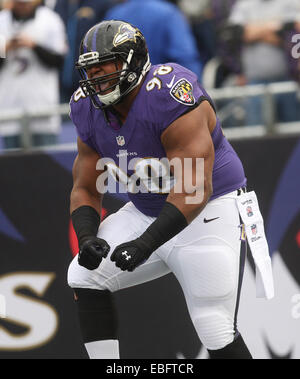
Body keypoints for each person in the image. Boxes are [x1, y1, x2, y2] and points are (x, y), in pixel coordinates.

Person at [67, 20, 274, 359]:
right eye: (90, 70)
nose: (97, 77)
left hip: (209, 209)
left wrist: (145, 243)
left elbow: (194, 188)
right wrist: (87, 235)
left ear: (134, 62)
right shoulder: (86, 107)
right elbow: (85, 187)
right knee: (83, 275)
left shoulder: (169, 94)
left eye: (106, 65)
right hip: (147, 207)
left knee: (214, 324)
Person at [0, 0, 67, 149]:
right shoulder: (1, 22)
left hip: (42, 109)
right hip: (10, 110)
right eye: (19, 3)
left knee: (47, 165)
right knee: (13, 168)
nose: (23, 5)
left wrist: (34, 45)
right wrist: (7, 47)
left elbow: (59, 61)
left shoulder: (50, 20)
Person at [228, 0, 300, 125]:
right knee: (256, 130)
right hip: (255, 80)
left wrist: (254, 31)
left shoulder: (289, 2)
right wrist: (274, 26)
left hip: (288, 79)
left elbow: (291, 34)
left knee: (293, 130)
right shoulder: (244, 4)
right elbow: (236, 33)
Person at [105, 0, 202, 80]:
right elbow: (186, 57)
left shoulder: (114, 15)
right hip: (162, 90)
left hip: (125, 94)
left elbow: (104, 56)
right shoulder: (169, 13)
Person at [54, 0, 120, 102]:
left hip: (91, 80)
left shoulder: (102, 4)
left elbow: (109, 40)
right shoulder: (61, 4)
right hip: (62, 82)